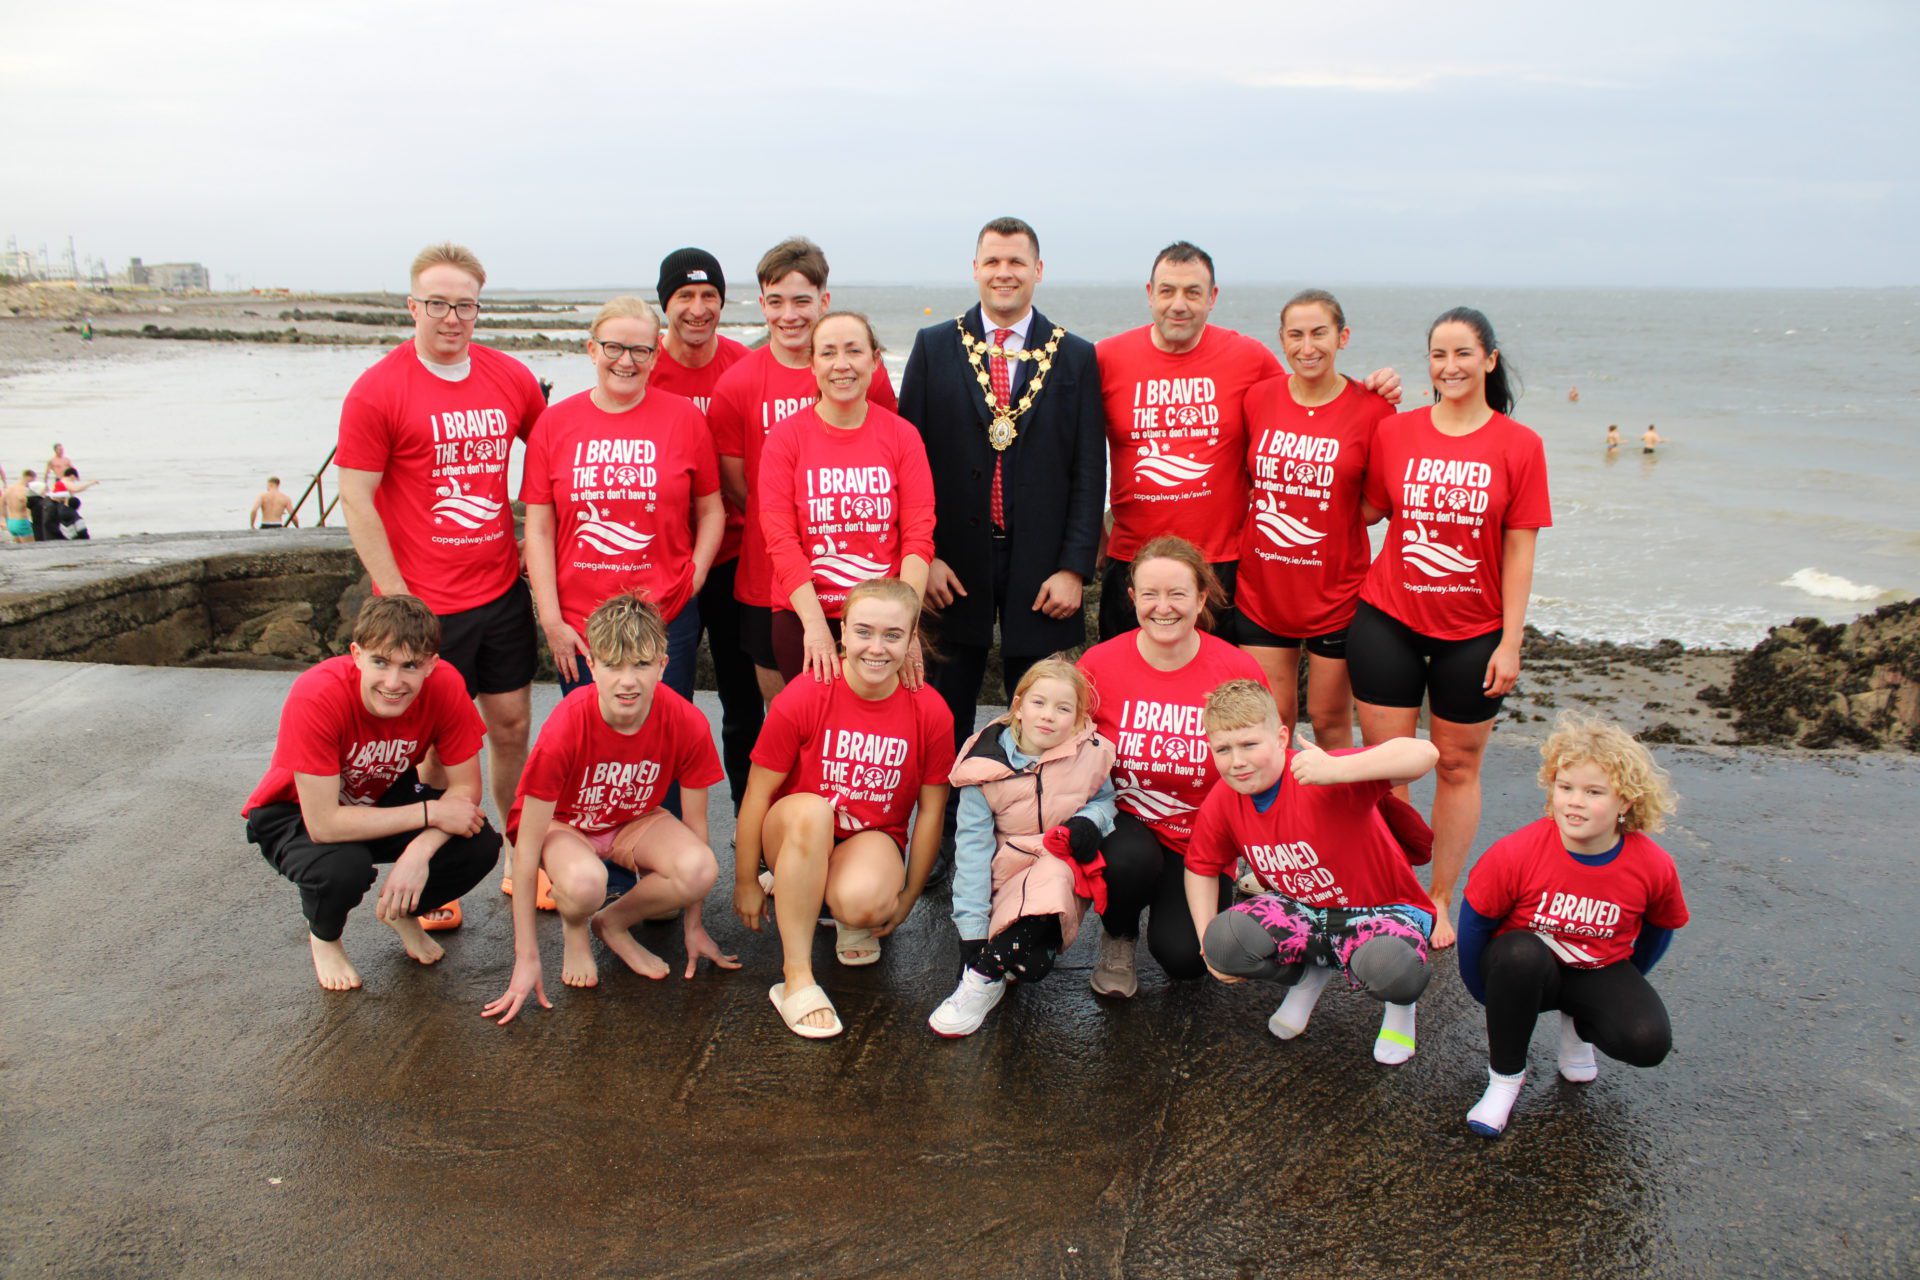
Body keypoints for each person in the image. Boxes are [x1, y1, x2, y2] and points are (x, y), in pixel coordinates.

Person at [335, 243, 549, 926]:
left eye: (464, 305)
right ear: (413, 306)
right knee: (430, 747)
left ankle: (520, 855)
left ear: (478, 308)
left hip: (498, 590)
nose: (451, 317)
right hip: (423, 603)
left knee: (511, 726)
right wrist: (397, 599)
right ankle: (442, 878)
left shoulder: (509, 377)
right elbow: (357, 499)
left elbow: (551, 458)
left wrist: (536, 533)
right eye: (437, 304)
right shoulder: (378, 388)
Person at [1348, 306, 1551, 950]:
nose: (1449, 367)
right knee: (1389, 769)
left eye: (1463, 353)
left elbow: (1520, 550)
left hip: (1475, 632)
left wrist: (1511, 641)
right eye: (1438, 354)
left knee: (1458, 765)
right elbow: (1365, 507)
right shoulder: (1397, 432)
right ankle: (1392, 891)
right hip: (1389, 620)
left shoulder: (1521, 446)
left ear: (1490, 359)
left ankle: (1439, 896)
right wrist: (1355, 405)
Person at [1095, 244, 1401, 641]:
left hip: (1222, 561)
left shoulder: (1248, 357)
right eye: (1167, 291)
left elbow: (1307, 404)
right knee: (1126, 689)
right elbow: (1076, 454)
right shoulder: (1106, 358)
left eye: (1193, 292)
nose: (1179, 304)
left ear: (1213, 298)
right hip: (1133, 559)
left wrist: (1371, 389)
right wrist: (1091, 540)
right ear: (1149, 293)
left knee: (1222, 695)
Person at [898, 216, 1105, 761]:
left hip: (1041, 568)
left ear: (1038, 270)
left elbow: (1089, 469)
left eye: (1016, 262)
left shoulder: (1076, 356)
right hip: (952, 566)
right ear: (975, 270)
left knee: (1044, 714)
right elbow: (907, 462)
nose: (1004, 272)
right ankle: (942, 840)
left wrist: (1074, 569)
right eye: (992, 261)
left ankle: (1032, 834)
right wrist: (927, 557)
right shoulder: (933, 345)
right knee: (943, 713)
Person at [483, 594, 738, 1025]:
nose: (628, 681)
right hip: (566, 826)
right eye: (614, 665)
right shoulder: (567, 724)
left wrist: (694, 926)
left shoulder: (685, 721)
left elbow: (697, 827)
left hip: (633, 818)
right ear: (592, 666)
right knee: (586, 883)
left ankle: (612, 923)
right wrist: (525, 959)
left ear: (662, 664)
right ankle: (577, 928)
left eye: (640, 665)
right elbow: (525, 852)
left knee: (699, 867)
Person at [242, 595, 501, 991]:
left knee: (478, 843)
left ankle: (403, 912)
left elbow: (466, 791)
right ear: (357, 655)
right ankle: (325, 937)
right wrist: (429, 816)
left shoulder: (446, 685)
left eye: (410, 666)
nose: (393, 683)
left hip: (380, 793)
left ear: (431, 664)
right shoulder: (317, 694)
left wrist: (418, 852)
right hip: (293, 811)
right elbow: (324, 824)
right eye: (380, 662)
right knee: (343, 868)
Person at [733, 579, 954, 1038]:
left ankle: (833, 907)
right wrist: (744, 880)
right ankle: (796, 977)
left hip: (868, 837)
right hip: (794, 828)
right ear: (843, 632)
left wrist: (910, 893)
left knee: (866, 904)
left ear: (913, 638)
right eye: (864, 632)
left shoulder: (930, 712)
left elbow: (932, 810)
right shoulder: (806, 694)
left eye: (893, 635)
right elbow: (757, 793)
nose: (876, 648)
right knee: (814, 812)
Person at [1458, 714, 1688, 1137]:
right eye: (1565, 788)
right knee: (1520, 953)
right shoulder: (1516, 852)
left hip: (1595, 969)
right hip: (1522, 970)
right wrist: (1480, 988)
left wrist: (1626, 982)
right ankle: (1504, 1081)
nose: (1574, 801)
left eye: (1593, 792)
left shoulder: (1653, 865)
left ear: (1626, 802)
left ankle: (1578, 1026)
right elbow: (1475, 923)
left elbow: (1661, 928)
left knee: (1647, 1041)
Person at [1188, 680, 1440, 1065]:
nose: (1237, 761)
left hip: (1382, 911)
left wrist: (1342, 768)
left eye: (1249, 744)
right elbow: (1201, 867)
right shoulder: (1225, 798)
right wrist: (1206, 941)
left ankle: (1400, 1009)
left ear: (1281, 737)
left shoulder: (1320, 773)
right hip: (1302, 909)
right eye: (1223, 749)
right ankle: (1309, 977)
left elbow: (1424, 752)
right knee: (1222, 945)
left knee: (1392, 971)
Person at [1076, 536, 1269, 997]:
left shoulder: (1236, 670)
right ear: (1132, 598)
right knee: (1127, 860)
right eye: (1150, 594)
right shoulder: (1098, 665)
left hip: (1201, 840)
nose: (1164, 608)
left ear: (1202, 597)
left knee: (1186, 961)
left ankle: (1177, 912)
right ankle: (1119, 933)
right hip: (1124, 826)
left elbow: (1265, 768)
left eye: (1178, 594)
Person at [710, 238, 897, 704]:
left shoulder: (860, 373)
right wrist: (787, 529)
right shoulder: (737, 383)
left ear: (824, 301)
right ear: (761, 305)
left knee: (861, 708)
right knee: (777, 716)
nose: (788, 315)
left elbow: (889, 455)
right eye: (775, 302)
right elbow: (735, 483)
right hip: (766, 579)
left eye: (801, 301)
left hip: (857, 579)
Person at [520, 297, 723, 703]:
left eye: (639, 350)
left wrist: (695, 575)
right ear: (592, 348)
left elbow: (711, 510)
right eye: (614, 347)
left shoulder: (685, 419)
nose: (625, 361)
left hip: (665, 615)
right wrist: (552, 620)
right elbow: (539, 529)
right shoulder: (554, 424)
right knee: (589, 744)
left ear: (655, 354)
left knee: (665, 743)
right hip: (580, 622)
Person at [1233, 290, 1394, 750]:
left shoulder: (1373, 408)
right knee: (1274, 720)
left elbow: (1376, 505)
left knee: (1329, 721)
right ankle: (1281, 821)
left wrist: (1322, 519)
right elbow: (1244, 478)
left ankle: (1335, 820)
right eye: (1296, 335)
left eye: (1319, 333)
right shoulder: (1258, 399)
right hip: (1263, 588)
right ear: (1282, 341)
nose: (1308, 347)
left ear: (1342, 337)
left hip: (1335, 594)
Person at [930, 658, 1117, 1038]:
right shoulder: (983, 769)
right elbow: (972, 853)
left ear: (1079, 718)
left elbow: (1105, 800)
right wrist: (972, 930)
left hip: (1055, 866)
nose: (1049, 716)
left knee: (1053, 872)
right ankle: (991, 961)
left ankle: (982, 977)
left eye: (1063, 708)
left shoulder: (1092, 754)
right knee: (1030, 965)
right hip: (1006, 872)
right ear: (1018, 707)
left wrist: (1090, 821)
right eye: (1038, 703)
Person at [759, 311, 935, 684]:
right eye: (828, 353)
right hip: (805, 615)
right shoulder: (785, 438)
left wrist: (908, 627)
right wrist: (816, 628)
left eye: (854, 351)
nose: (842, 365)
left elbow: (918, 538)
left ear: (874, 360)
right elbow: (781, 541)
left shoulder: (903, 437)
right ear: (812, 364)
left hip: (884, 623)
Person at [647, 248, 761, 806]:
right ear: (665, 303)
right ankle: (656, 823)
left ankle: (751, 828)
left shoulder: (742, 367)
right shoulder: (644, 366)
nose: (698, 308)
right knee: (667, 703)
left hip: (736, 557)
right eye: (684, 297)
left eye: (709, 296)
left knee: (745, 706)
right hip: (664, 561)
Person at [4, 471, 35, 542]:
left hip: (10, 522)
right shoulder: (25, 491)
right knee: (31, 547)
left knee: (18, 548)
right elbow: (30, 508)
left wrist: (4, 520)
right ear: (29, 478)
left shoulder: (8, 489)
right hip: (21, 522)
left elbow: (1, 504)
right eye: (33, 481)